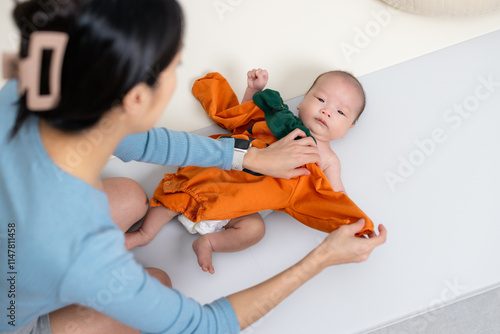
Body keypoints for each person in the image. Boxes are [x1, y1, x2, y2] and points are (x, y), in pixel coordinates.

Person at [0, 1, 386, 333]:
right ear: (136, 98)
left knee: (132, 197)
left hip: (18, 258)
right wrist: (321, 257)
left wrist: (248, 156)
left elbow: (141, 142)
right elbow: (204, 326)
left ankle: (38, 291)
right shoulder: (84, 254)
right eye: (175, 66)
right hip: (14, 308)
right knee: (160, 283)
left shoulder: (25, 91)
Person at [139, 68, 374, 274]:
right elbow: (245, 117)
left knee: (255, 230)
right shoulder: (278, 119)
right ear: (302, 102)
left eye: (341, 112)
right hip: (222, 179)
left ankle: (210, 243)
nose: (327, 111)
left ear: (348, 128)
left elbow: (335, 198)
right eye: (321, 99)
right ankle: (145, 234)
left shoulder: (328, 159)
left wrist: (355, 229)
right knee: (179, 193)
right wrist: (254, 91)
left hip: (246, 209)